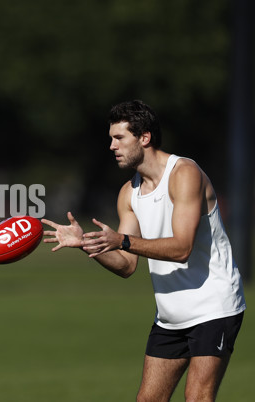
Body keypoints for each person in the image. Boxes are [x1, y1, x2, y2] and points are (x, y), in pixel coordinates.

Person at [42, 100, 246, 401]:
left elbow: (182, 249)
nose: (111, 146)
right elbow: (126, 265)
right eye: (111, 138)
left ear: (144, 137)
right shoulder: (128, 193)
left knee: (198, 398)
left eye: (119, 138)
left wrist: (122, 240)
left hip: (213, 307)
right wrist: (86, 243)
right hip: (170, 315)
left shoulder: (184, 174)